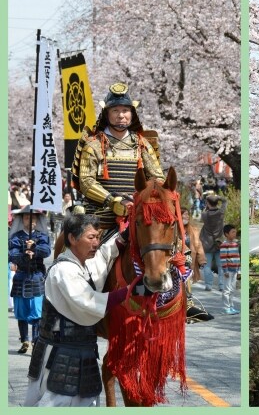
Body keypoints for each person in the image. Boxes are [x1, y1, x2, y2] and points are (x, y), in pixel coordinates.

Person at [24, 214, 130, 407]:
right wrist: (130, 291)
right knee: (57, 403)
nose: (97, 242)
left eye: (98, 237)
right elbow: (88, 302)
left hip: (83, 353)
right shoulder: (63, 271)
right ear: (72, 239)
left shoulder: (83, 265)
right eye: (91, 237)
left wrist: (128, 233)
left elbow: (105, 255)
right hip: (61, 354)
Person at [72, 82, 164, 229]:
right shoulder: (93, 145)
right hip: (100, 216)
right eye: (115, 110)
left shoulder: (143, 145)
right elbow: (86, 181)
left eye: (125, 110)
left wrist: (141, 199)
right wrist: (111, 200)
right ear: (106, 114)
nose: (121, 115)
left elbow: (158, 179)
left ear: (132, 113)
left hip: (138, 215)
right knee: (84, 246)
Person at [9, 206, 51, 353]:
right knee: (21, 312)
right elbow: (12, 254)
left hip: (36, 276)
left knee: (37, 312)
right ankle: (25, 340)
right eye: (27, 217)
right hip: (21, 277)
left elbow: (46, 251)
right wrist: (24, 254)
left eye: (33, 218)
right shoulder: (16, 237)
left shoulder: (41, 236)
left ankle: (35, 341)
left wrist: (34, 249)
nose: (30, 220)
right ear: (23, 220)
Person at [199, 192, 226, 291]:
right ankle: (221, 286)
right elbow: (225, 201)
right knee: (221, 265)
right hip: (219, 243)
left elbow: (204, 213)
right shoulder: (220, 213)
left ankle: (209, 285)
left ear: (207, 203)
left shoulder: (204, 214)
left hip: (207, 242)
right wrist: (218, 197)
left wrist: (207, 204)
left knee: (207, 265)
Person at [219, 224, 240, 315]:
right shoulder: (224, 245)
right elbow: (223, 258)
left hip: (235, 270)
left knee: (232, 289)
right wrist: (225, 270)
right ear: (226, 234)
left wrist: (239, 270)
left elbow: (238, 257)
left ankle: (231, 306)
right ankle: (226, 307)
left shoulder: (235, 244)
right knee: (226, 290)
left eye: (235, 232)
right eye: (232, 232)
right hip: (228, 271)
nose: (234, 234)